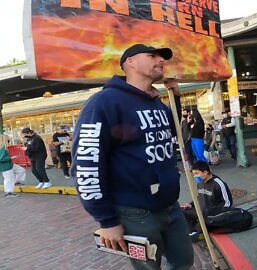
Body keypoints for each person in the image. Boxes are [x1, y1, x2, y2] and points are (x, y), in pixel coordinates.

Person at [71, 44, 193, 270]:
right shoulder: (104, 103)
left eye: (161, 57)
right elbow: (87, 165)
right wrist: (106, 220)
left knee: (184, 261)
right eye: (152, 55)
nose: (160, 61)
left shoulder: (155, 101)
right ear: (130, 62)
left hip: (170, 205)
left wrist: (174, 99)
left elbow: (171, 132)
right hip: (135, 213)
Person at [181, 161, 233, 233]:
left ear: (205, 172)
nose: (195, 176)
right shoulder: (200, 183)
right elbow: (199, 196)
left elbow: (228, 203)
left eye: (197, 173)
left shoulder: (218, 184)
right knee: (182, 212)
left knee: (200, 227)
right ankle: (192, 231)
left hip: (211, 216)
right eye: (194, 174)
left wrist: (212, 212)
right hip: (200, 212)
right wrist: (191, 204)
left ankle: (195, 232)